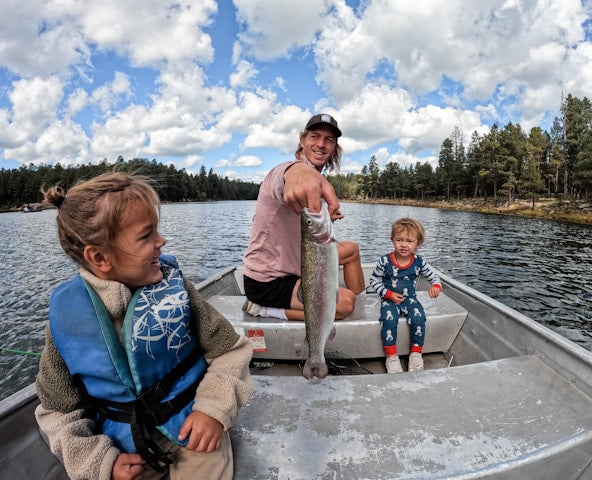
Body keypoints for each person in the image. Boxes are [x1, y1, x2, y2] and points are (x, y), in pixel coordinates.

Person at [35, 172, 254, 480]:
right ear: (99, 257)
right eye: (146, 235)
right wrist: (100, 462)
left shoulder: (177, 291)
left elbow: (231, 351)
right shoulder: (66, 321)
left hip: (193, 427)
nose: (161, 241)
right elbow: (57, 410)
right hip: (122, 448)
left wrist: (213, 410)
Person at [242, 113, 365, 321]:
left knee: (351, 250)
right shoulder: (283, 171)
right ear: (302, 141)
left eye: (329, 140)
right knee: (345, 303)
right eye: (315, 136)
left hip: (296, 264)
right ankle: (262, 309)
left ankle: (366, 306)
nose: (321, 144)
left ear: (334, 147)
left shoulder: (315, 183)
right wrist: (300, 171)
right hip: (268, 280)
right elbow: (292, 175)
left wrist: (328, 216)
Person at [369, 218, 442, 373]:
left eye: (409, 241)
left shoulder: (419, 262)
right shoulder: (385, 261)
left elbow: (434, 277)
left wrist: (436, 286)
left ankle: (416, 354)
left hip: (410, 299)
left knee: (419, 318)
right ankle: (392, 358)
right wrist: (387, 294)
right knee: (389, 320)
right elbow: (374, 280)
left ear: (418, 243)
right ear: (392, 240)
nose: (404, 244)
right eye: (399, 240)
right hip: (389, 299)